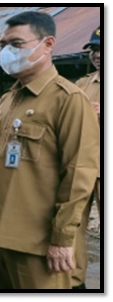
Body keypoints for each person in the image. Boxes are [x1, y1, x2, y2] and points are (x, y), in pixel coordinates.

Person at [0, 11, 100, 289]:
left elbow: (78, 176)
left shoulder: (68, 100)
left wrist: (61, 239)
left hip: (37, 245)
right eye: (3, 45)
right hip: (0, 239)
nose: (7, 52)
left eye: (16, 44)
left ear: (47, 44)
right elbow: (0, 170)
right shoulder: (10, 98)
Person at [71, 25, 101, 290]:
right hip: (84, 164)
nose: (98, 54)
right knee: (73, 222)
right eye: (93, 49)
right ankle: (76, 283)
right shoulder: (82, 84)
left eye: (102, 49)